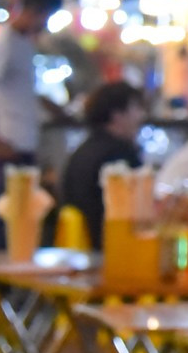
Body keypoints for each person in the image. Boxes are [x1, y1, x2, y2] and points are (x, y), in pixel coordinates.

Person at [0, 0, 59, 247]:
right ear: (35, 12)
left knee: (21, 221)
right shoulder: (6, 43)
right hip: (10, 145)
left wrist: (53, 108)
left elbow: (23, 92)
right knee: (6, 222)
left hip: (22, 143)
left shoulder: (22, 43)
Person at [60, 82, 147, 250]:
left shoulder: (82, 150)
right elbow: (136, 210)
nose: (141, 116)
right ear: (117, 115)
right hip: (109, 246)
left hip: (80, 246)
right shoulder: (119, 154)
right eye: (136, 108)